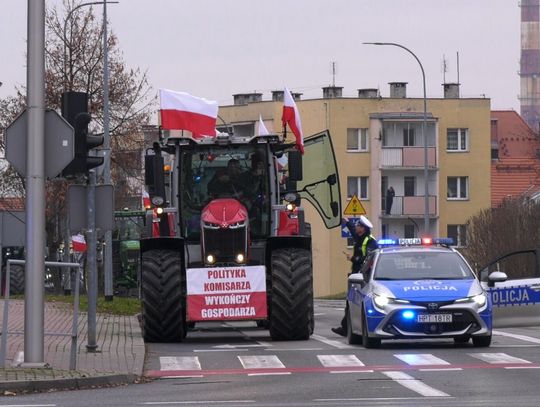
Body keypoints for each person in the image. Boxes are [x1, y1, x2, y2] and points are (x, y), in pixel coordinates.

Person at [332, 215, 378, 337]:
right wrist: (347, 223)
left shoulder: (370, 241)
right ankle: (346, 327)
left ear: (363, 228)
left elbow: (369, 259)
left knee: (357, 302)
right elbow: (353, 232)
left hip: (363, 278)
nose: (356, 227)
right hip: (356, 276)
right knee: (351, 301)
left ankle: (349, 328)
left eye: (358, 225)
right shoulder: (360, 238)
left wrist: (353, 258)